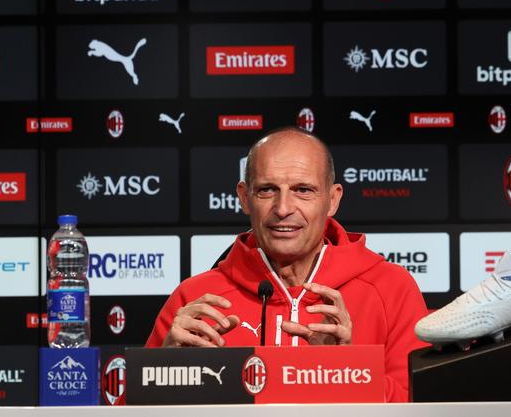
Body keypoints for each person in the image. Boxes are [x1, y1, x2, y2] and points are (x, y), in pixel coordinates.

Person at [145, 127, 429, 402]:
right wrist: (165, 374)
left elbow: (423, 407)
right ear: (244, 198)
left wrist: (348, 371)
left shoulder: (391, 289)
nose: (283, 209)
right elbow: (131, 409)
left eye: (303, 190)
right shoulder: (195, 298)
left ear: (332, 200)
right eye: (267, 190)